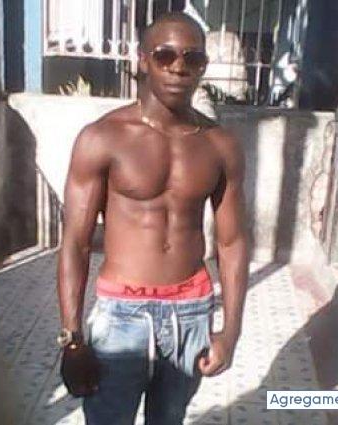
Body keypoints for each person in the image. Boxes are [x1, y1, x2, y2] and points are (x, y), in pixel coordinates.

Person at [57, 12, 249, 425]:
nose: (179, 67)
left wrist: (230, 332)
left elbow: (232, 242)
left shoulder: (220, 145)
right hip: (121, 316)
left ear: (203, 67)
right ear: (143, 60)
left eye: (192, 58)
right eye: (165, 56)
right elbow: (75, 241)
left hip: (191, 312)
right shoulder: (102, 138)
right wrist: (72, 338)